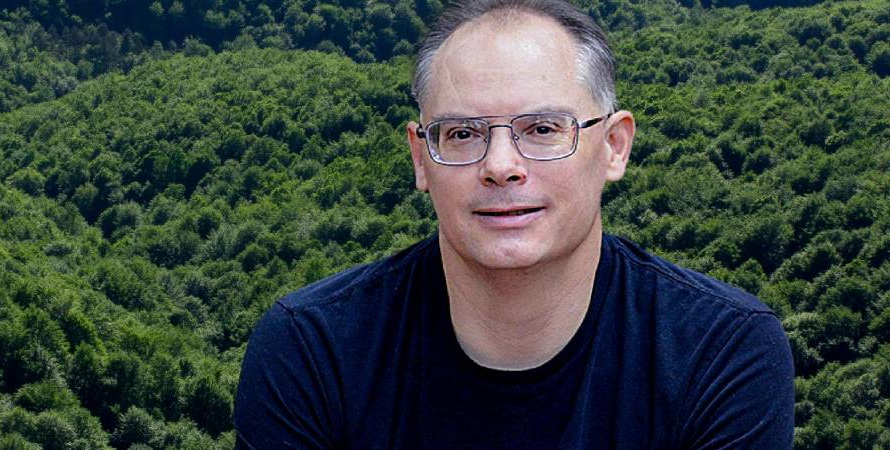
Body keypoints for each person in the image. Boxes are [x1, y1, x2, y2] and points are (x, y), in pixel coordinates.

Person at [232, 0, 794, 448]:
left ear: (614, 146)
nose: (501, 166)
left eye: (543, 129)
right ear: (421, 159)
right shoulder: (312, 350)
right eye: (462, 134)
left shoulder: (721, 350)